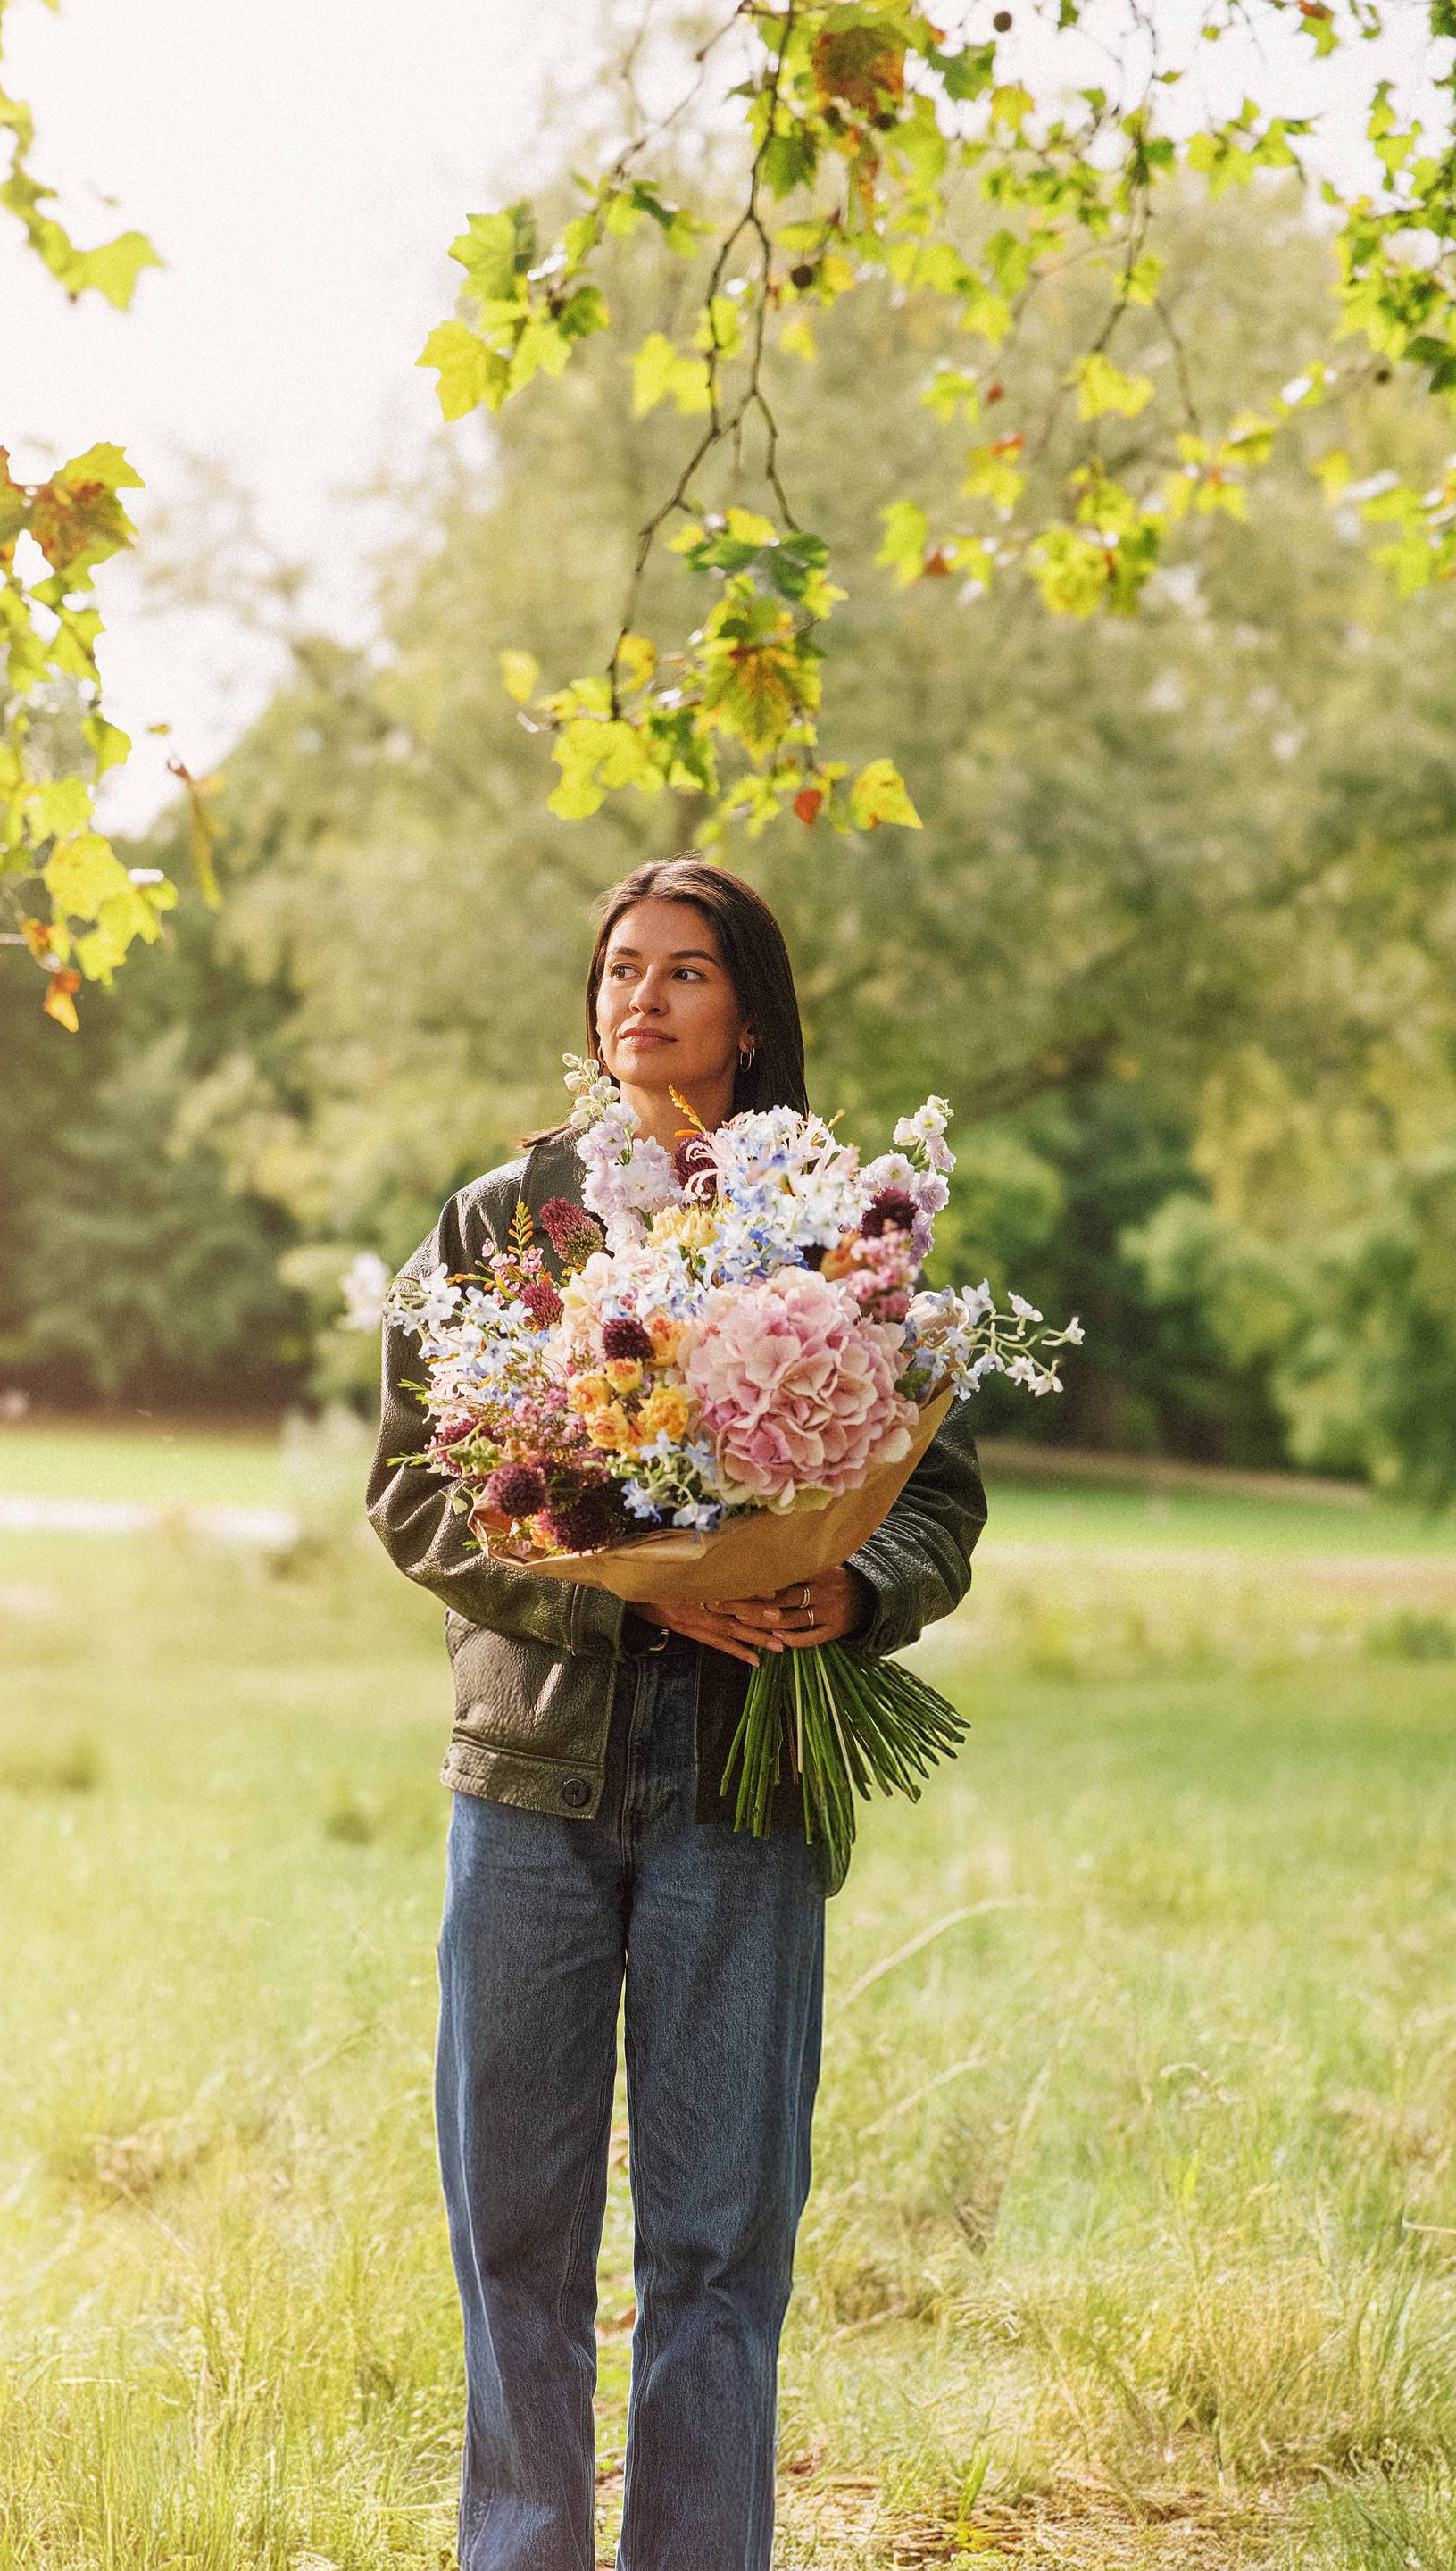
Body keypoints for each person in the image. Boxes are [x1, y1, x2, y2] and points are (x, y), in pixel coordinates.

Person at [365, 857, 987, 2571]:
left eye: (684, 970)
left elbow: (935, 1493)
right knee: (517, 2226)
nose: (639, 996)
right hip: (534, 1778)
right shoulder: (504, 1225)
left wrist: (841, 1593)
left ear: (751, 1011)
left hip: (743, 1778)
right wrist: (620, 1589)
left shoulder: (845, 1231)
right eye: (618, 967)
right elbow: (419, 1497)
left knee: (718, 2239)